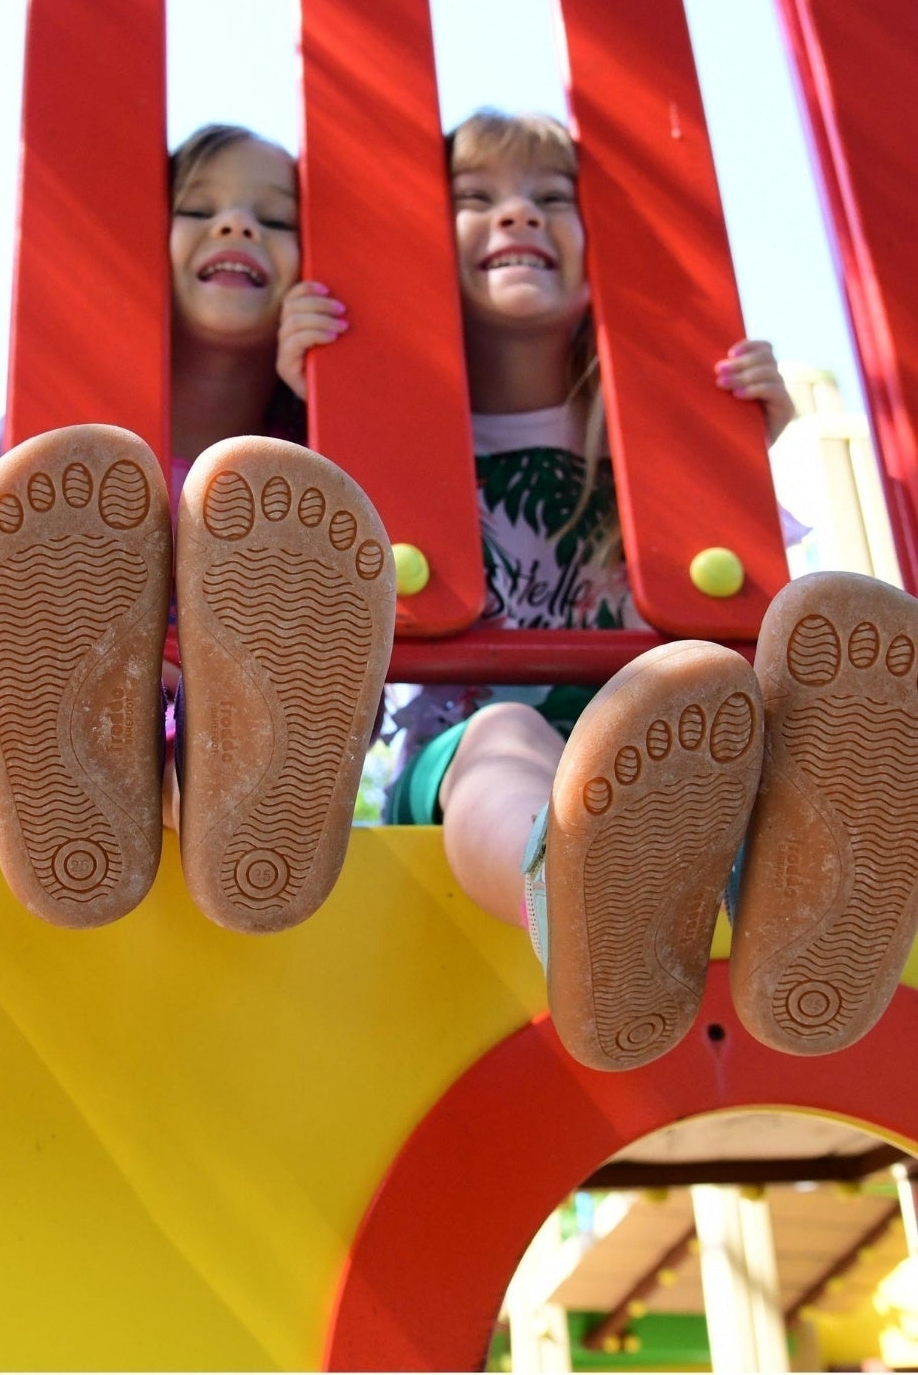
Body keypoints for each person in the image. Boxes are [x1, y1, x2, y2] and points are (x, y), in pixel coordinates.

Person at [285, 106, 918, 1070]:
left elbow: (725, 576)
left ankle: (817, 890)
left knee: (771, 682)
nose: (518, 217)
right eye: (476, 199)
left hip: (678, 749)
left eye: (551, 199)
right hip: (465, 755)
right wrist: (310, 397)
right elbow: (298, 587)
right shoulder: (380, 424)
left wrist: (742, 442)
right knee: (510, 738)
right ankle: (575, 900)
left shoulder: (641, 438)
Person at [0, 124, 394, 935]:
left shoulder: (309, 472)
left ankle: (226, 812)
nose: (238, 226)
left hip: (237, 771)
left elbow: (364, 597)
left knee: (222, 738)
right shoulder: (64, 435)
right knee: (116, 728)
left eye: (277, 218)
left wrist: (330, 399)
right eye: (200, 207)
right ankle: (152, 790)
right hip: (47, 791)